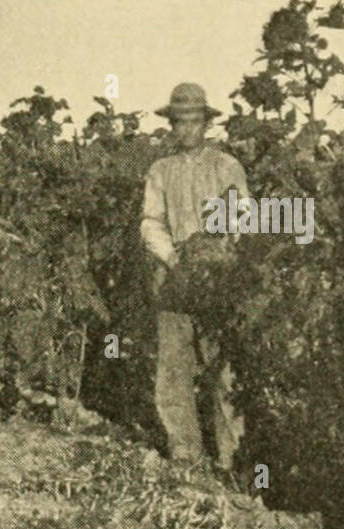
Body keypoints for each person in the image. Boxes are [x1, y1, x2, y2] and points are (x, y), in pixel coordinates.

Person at [140, 82, 246, 472]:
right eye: (179, 122)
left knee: (224, 371)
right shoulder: (160, 171)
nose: (186, 130)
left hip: (217, 278)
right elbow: (151, 222)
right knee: (173, 366)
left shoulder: (226, 167)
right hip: (175, 275)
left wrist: (218, 256)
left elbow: (240, 218)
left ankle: (230, 459)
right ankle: (186, 456)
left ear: (206, 123)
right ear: (171, 125)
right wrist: (172, 257)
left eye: (193, 121)